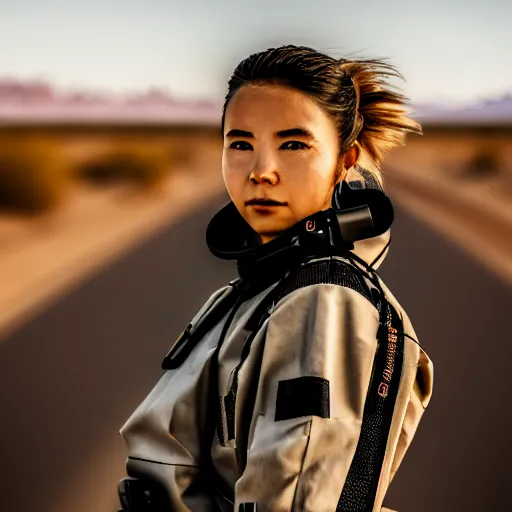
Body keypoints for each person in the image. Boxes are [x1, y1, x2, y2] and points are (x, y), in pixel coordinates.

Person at [118, 45, 434, 512]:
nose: (261, 172)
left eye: (293, 145)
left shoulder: (323, 301)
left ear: (345, 161)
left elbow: (296, 499)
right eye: (240, 143)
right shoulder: (267, 288)